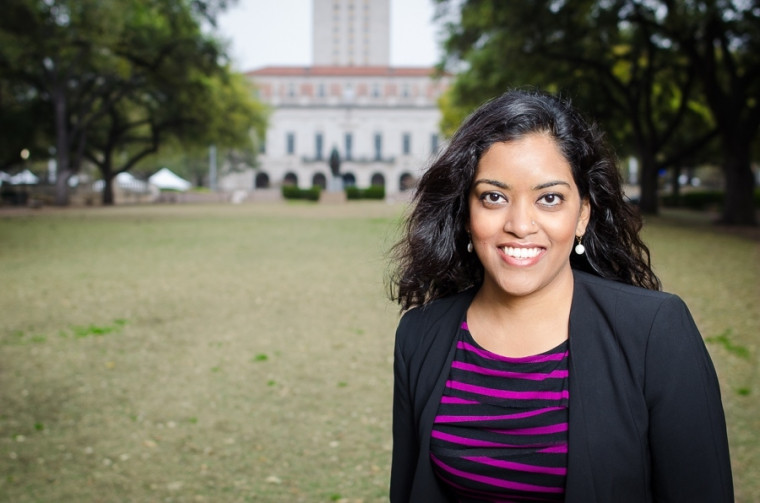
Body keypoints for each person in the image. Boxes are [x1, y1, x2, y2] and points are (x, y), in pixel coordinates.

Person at [388, 89, 733, 502]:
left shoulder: (655, 332)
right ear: (466, 214)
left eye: (549, 198)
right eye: (494, 197)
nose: (520, 224)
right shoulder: (419, 335)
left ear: (582, 214)